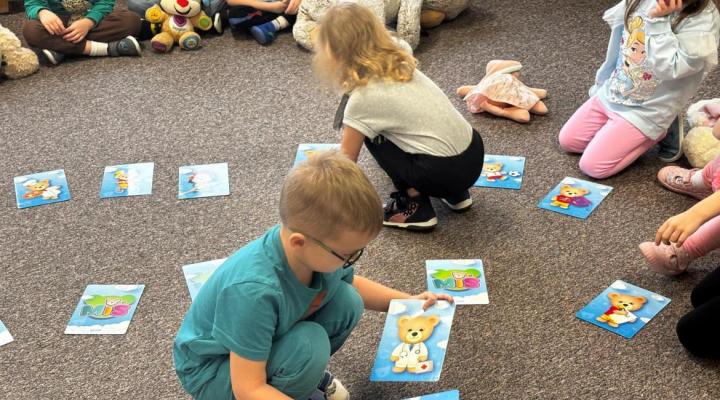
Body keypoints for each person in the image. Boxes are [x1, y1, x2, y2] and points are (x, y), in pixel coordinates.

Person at [173, 151, 453, 400]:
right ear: (299, 242)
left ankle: (292, 377)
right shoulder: (253, 291)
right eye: (347, 254)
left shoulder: (309, 248)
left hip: (259, 343)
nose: (350, 261)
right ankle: (291, 379)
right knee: (309, 344)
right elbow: (248, 389)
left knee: (347, 301)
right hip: (215, 371)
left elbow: (350, 283)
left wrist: (408, 301)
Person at [314, 2, 484, 231]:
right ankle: (457, 194)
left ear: (334, 52)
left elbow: (346, 163)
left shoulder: (363, 99)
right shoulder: (400, 52)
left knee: (371, 134)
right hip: (474, 154)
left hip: (440, 173)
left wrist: (320, 196)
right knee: (413, 122)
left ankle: (414, 204)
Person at [558, 0, 720, 179]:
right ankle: (649, 125)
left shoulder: (702, 19)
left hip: (648, 110)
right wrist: (602, 83)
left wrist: (658, 21)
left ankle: (661, 129)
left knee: (592, 167)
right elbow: (620, 43)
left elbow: (669, 69)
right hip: (615, 91)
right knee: (568, 142)